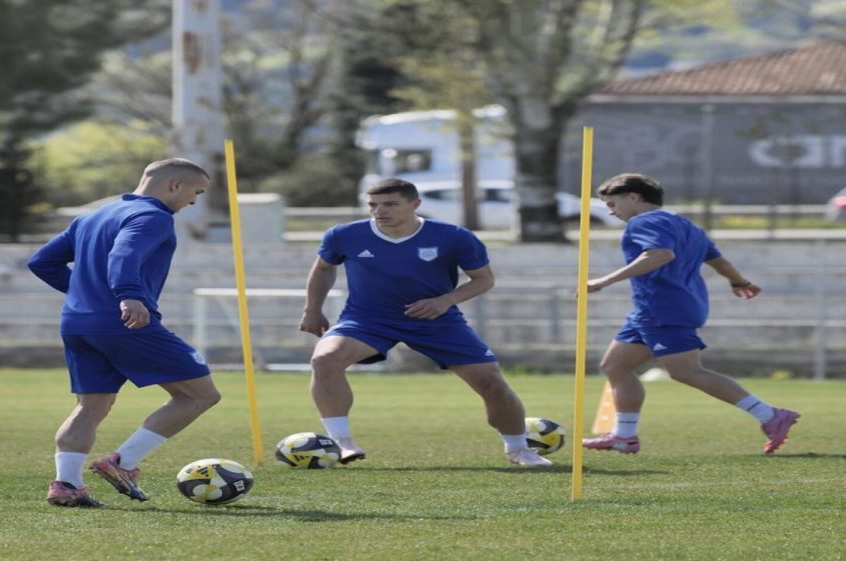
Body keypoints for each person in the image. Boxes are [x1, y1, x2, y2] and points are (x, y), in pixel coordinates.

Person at [298, 178, 551, 467]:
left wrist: (444, 301)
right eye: (374, 205)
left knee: (491, 382)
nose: (380, 211)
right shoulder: (343, 235)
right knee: (325, 358)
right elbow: (323, 268)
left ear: (415, 204)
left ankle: (519, 449)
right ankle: (341, 442)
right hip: (367, 319)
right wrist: (312, 309)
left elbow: (483, 280)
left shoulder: (454, 236)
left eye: (390, 204)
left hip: (438, 321)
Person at [28, 158, 222, 507]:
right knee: (199, 394)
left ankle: (67, 484)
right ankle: (123, 463)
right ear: (175, 185)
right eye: (196, 192)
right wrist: (127, 295)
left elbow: (41, 261)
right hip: (125, 322)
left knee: (90, 407)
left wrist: (86, 292)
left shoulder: (92, 216)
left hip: (77, 323)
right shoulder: (154, 216)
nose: (194, 201)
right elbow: (125, 252)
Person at [583, 173, 800, 455]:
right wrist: (739, 281)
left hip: (664, 309)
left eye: (613, 204)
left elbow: (660, 254)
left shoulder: (643, 221)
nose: (611, 212)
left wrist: (604, 281)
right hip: (651, 310)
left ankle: (770, 415)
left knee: (687, 372)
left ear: (634, 197)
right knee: (615, 366)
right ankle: (624, 436)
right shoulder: (687, 225)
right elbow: (719, 261)